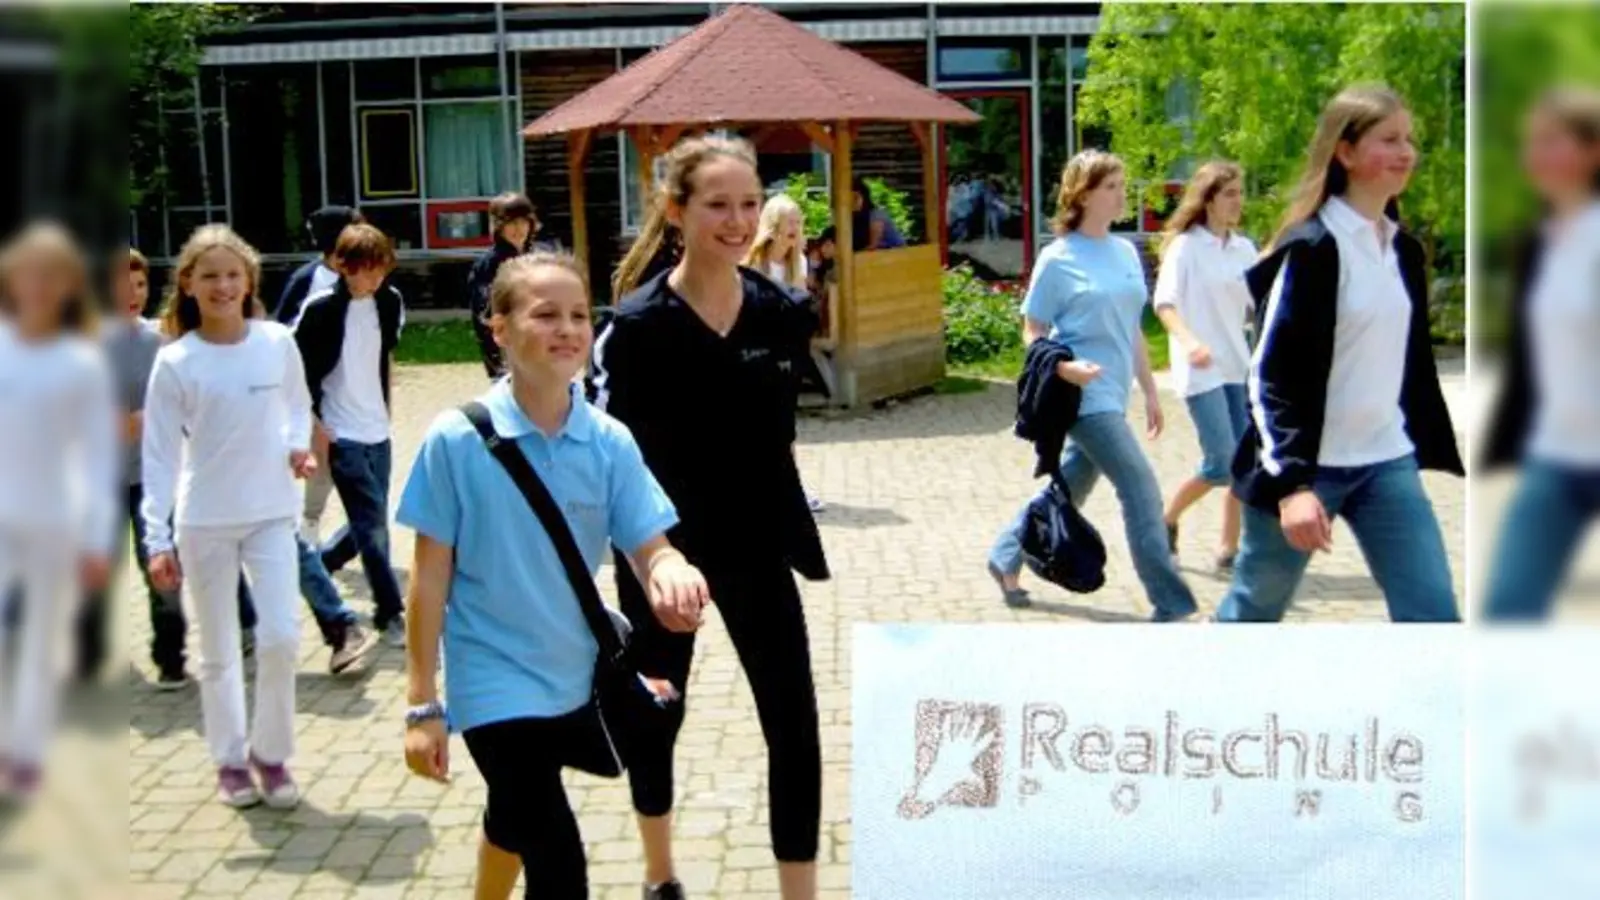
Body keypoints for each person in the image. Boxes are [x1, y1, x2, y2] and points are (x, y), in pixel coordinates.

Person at [397, 251, 710, 900]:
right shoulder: (454, 440)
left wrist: (670, 571)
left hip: (576, 677)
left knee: (514, 815)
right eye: (545, 314)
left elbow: (649, 544)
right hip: (492, 682)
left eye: (577, 315)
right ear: (500, 327)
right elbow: (426, 582)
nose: (567, 328)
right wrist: (423, 704)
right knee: (559, 862)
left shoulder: (609, 441)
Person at [592, 135, 830, 900]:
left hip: (760, 547)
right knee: (657, 713)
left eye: (749, 204)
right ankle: (660, 873)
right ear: (676, 210)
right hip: (668, 557)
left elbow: (781, 437)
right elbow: (615, 461)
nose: (737, 220)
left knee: (794, 724)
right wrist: (652, 559)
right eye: (718, 204)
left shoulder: (786, 311)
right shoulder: (636, 327)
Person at [1216, 85, 1463, 623]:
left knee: (1434, 614)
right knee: (1255, 609)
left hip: (1386, 461)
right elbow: (1267, 377)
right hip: (1306, 470)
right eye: (1389, 139)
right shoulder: (1311, 248)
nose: (1407, 152)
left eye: (1409, 140)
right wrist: (1293, 489)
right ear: (1345, 152)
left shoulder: (1403, 249)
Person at [986, 150, 1199, 622]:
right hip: (1081, 398)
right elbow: (1032, 330)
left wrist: (1148, 391)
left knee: (1072, 485)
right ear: (1082, 194)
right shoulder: (1057, 258)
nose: (1123, 194)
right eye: (1112, 186)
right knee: (1141, 489)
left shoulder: (1124, 251)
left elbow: (1131, 327)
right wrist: (1064, 370)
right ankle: (1172, 605)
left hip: (1116, 392)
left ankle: (1005, 554)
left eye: (1122, 184)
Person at [143, 224, 314, 808]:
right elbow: (159, 456)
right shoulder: (176, 362)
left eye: (232, 274)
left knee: (281, 638)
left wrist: (298, 445)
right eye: (209, 275)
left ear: (249, 281)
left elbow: (297, 405)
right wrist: (155, 539)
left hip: (271, 514)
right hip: (204, 521)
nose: (222, 285)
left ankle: (271, 754)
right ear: (188, 284)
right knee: (216, 651)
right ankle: (229, 761)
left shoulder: (275, 342)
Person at [82, 247, 260, 689]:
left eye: (140, 284)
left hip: (151, 479)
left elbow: (188, 404)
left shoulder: (162, 343)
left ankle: (170, 657)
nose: (133, 294)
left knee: (160, 568)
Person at [0, 222, 118, 800]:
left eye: (54, 275)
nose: (40, 286)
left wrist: (97, 539)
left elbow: (98, 456)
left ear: (70, 286)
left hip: (56, 519)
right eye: (30, 273)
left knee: (45, 640)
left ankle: (25, 752)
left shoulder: (81, 363)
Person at [1481, 85, 1600, 620]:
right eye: (1532, 142)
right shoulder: (1538, 241)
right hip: (1556, 456)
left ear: (1592, 150)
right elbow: (1528, 359)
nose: (1535, 155)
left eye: (1552, 141)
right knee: (1510, 607)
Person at [289, 223, 408, 647]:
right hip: (342, 434)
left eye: (382, 271)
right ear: (344, 266)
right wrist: (315, 422)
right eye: (367, 271)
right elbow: (296, 372)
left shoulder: (389, 303)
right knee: (374, 526)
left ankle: (318, 563)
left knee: (368, 521)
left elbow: (384, 357)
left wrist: (387, 413)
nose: (376, 280)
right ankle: (390, 613)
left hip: (378, 430)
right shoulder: (319, 310)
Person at [1152, 161, 1259, 571]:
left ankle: (1229, 547)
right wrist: (1189, 341)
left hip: (1237, 366)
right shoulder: (1186, 247)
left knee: (1244, 464)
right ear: (1208, 199)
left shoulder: (1244, 248)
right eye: (1229, 193)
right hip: (1200, 371)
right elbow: (1164, 304)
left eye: (1239, 193)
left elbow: (1256, 308)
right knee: (1221, 462)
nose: (1237, 201)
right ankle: (1165, 521)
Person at [746, 194, 828, 510]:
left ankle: (790, 492)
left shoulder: (800, 263)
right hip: (754, 355)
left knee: (785, 425)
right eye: (788, 222)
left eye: (798, 221)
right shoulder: (753, 263)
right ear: (773, 226)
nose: (794, 228)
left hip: (786, 354)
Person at [468, 192, 539, 380]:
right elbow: (485, 313)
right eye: (511, 223)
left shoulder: (536, 258)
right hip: (506, 347)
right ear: (499, 227)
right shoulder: (489, 264)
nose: (519, 229)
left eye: (523, 222)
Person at [850, 176, 907, 252]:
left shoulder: (876, 215)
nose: (852, 202)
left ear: (864, 198)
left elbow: (873, 246)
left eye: (855, 198)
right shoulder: (852, 219)